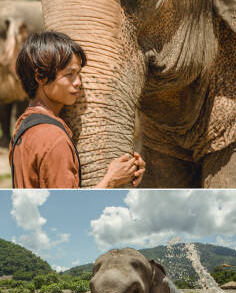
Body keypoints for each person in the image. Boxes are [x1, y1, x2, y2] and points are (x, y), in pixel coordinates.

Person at [10, 31, 145, 188]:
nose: (78, 82)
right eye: (69, 74)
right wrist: (112, 179)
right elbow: (67, 208)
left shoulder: (22, 126)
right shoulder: (54, 138)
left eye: (79, 74)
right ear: (40, 77)